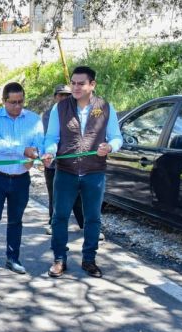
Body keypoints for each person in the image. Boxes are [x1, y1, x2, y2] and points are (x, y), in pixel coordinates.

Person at [43, 66, 123, 278]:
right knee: (59, 217)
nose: (76, 87)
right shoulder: (60, 108)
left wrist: (110, 147)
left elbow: (117, 137)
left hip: (94, 172)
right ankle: (59, 259)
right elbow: (51, 137)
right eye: (73, 83)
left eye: (81, 83)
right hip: (66, 172)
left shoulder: (105, 107)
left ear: (92, 85)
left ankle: (89, 259)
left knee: (93, 218)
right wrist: (50, 151)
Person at [0, 82, 45, 279]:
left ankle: (13, 258)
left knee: (16, 221)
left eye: (20, 102)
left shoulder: (33, 119)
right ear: (4, 101)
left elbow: (39, 143)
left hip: (20, 179)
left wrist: (34, 156)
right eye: (13, 102)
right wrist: (22, 150)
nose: (17, 106)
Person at [42, 84, 85, 236]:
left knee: (78, 196)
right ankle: (53, 224)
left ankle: (85, 225)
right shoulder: (49, 114)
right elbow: (52, 136)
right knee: (55, 195)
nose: (64, 98)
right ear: (55, 97)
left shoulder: (77, 112)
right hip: (53, 163)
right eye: (60, 95)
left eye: (67, 95)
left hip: (74, 164)